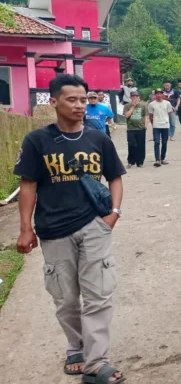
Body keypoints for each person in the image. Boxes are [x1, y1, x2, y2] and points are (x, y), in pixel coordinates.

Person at [14, 74, 127, 383]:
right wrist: (26, 229)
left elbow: (115, 176)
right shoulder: (37, 140)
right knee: (65, 298)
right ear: (53, 102)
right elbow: (28, 185)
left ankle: (96, 362)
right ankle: (76, 347)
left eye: (83, 99)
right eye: (72, 100)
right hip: (53, 229)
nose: (79, 105)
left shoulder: (98, 138)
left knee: (98, 295)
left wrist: (113, 214)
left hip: (94, 225)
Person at [148, 89, 174, 167]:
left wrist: (165, 120)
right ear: (155, 95)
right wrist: (153, 124)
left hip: (165, 125)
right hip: (156, 126)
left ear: (163, 95)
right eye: (157, 94)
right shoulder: (151, 104)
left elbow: (169, 113)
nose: (159, 95)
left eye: (160, 93)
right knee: (156, 142)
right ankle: (157, 160)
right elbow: (151, 116)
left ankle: (162, 158)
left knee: (164, 142)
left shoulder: (167, 103)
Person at [123, 90, 148, 168]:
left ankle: (140, 162)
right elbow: (126, 116)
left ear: (139, 97)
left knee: (141, 146)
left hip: (141, 128)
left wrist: (145, 126)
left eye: (136, 96)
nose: (135, 98)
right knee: (131, 145)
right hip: (131, 129)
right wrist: (133, 107)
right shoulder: (127, 106)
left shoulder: (143, 106)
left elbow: (146, 116)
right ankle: (131, 161)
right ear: (130, 97)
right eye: (133, 96)